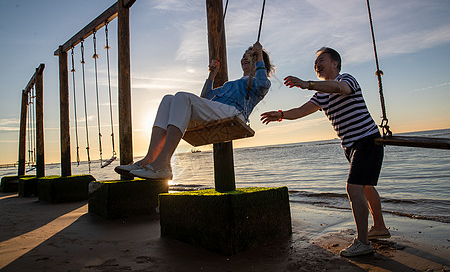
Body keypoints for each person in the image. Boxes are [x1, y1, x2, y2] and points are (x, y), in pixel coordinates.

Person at [261, 47, 390, 257]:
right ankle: (379, 228)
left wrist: (307, 84)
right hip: (351, 145)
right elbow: (302, 110)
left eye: (322, 60)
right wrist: (281, 114)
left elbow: (342, 89)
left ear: (335, 64)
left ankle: (363, 242)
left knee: (354, 189)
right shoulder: (321, 95)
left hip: (366, 139)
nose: (317, 64)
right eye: (315, 63)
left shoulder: (347, 79)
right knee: (365, 187)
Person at [115, 41, 272, 180]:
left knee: (183, 97)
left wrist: (259, 56)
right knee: (168, 99)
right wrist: (212, 76)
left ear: (259, 61)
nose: (245, 58)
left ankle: (163, 164)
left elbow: (263, 85)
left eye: (251, 55)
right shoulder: (229, 84)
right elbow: (204, 97)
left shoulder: (258, 81)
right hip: (217, 111)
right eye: (244, 55)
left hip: (234, 113)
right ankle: (149, 159)